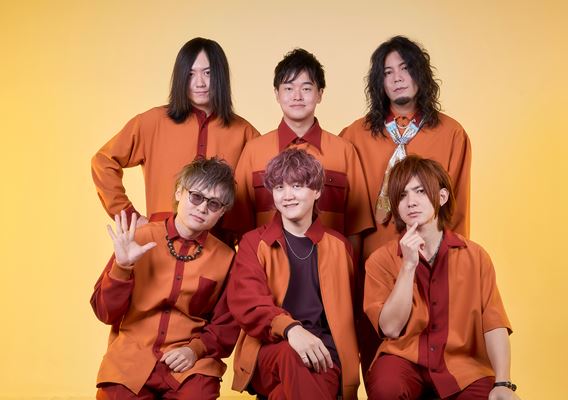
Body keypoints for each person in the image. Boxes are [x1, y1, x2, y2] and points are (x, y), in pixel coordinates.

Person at [339, 35, 472, 374]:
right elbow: (343, 213)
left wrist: (453, 270)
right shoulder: (353, 136)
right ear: (379, 82)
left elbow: (457, 211)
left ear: (420, 73)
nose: (397, 78)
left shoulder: (452, 134)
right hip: (373, 266)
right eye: (388, 72)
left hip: (431, 265)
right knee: (379, 369)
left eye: (405, 68)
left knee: (432, 364)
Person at [364, 155, 519, 400]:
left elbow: (494, 324)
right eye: (402, 195)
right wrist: (408, 266)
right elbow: (391, 328)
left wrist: (503, 382)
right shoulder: (380, 260)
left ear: (442, 196)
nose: (411, 202)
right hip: (403, 359)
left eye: (420, 191)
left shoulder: (476, 256)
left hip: (464, 367)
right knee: (387, 386)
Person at [91, 158, 239, 399]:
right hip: (130, 360)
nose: (203, 208)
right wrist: (122, 267)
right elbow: (104, 313)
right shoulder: (138, 238)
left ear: (222, 211)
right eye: (196, 197)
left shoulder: (227, 258)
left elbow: (227, 324)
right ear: (179, 192)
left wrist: (195, 350)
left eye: (214, 204)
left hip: (190, 365)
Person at [227, 149, 360, 399]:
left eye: (297, 186)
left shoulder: (340, 247)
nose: (287, 196)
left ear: (317, 190)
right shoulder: (254, 242)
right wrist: (291, 330)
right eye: (279, 187)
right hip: (270, 350)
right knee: (291, 355)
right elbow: (248, 303)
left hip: (324, 353)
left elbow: (350, 312)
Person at [92, 37, 259, 226]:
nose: (200, 83)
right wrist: (129, 216)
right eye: (190, 74)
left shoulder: (245, 133)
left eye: (208, 73)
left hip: (221, 241)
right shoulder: (152, 122)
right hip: (159, 237)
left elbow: (265, 193)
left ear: (221, 76)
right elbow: (103, 161)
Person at [226, 48, 372, 253]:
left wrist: (347, 269)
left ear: (320, 94)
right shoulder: (253, 151)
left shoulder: (345, 151)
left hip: (329, 266)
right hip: (266, 267)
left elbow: (356, 228)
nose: (297, 96)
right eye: (288, 88)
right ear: (276, 94)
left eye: (306, 88)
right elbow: (240, 225)